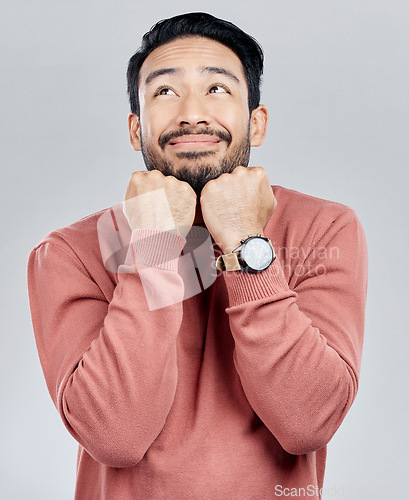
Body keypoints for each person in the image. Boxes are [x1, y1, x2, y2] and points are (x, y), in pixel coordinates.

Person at [27, 12, 368, 500]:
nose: (191, 113)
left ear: (257, 122)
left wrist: (247, 243)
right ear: (134, 129)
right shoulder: (67, 253)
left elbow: (308, 422)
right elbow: (115, 435)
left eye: (217, 89)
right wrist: (155, 245)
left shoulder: (325, 229)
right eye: (164, 92)